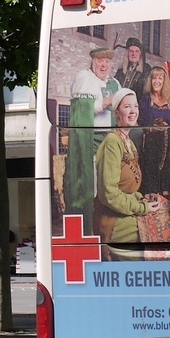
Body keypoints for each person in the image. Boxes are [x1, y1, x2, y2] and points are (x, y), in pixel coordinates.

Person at [93, 89, 159, 251]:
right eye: (127, 107)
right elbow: (109, 194)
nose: (133, 111)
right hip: (113, 222)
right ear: (117, 113)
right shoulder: (112, 142)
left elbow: (127, 188)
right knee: (158, 234)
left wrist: (142, 198)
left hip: (125, 211)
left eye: (135, 106)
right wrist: (142, 208)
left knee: (165, 215)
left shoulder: (129, 143)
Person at [68, 45, 121, 233]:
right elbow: (80, 110)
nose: (104, 65)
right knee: (91, 189)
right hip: (89, 143)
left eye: (107, 61)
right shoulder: (84, 79)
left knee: (109, 187)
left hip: (110, 143)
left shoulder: (115, 83)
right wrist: (105, 103)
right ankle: (88, 231)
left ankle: (107, 231)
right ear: (93, 61)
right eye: (100, 61)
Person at [138, 66, 170, 203]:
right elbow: (143, 121)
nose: (157, 81)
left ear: (164, 81)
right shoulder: (145, 100)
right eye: (154, 78)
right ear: (150, 80)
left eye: (160, 78)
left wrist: (166, 126)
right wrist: (154, 127)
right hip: (151, 148)